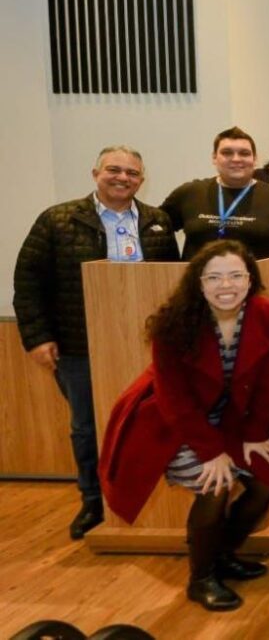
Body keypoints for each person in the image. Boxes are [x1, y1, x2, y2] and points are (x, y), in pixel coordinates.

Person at [98, 241, 269, 611]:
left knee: (267, 480)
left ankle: (223, 556)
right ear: (198, 284)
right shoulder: (173, 322)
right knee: (214, 484)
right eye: (214, 277)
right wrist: (210, 452)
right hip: (176, 423)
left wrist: (253, 435)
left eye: (235, 275)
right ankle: (201, 579)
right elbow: (174, 399)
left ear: (250, 280)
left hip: (235, 421)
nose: (226, 285)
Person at [13, 145, 179, 540]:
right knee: (87, 427)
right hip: (78, 345)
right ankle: (92, 501)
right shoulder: (57, 220)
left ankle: (147, 497)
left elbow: (174, 280)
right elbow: (27, 283)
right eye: (114, 170)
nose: (123, 178)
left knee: (148, 422)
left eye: (132, 173)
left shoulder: (157, 221)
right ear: (95, 173)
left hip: (146, 346)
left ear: (142, 178)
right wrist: (37, 338)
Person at [161, 127, 269, 291]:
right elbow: (155, 229)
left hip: (258, 292)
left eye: (244, 153)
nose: (236, 159)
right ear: (214, 158)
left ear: (255, 159)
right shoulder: (189, 193)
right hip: (196, 292)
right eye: (227, 153)